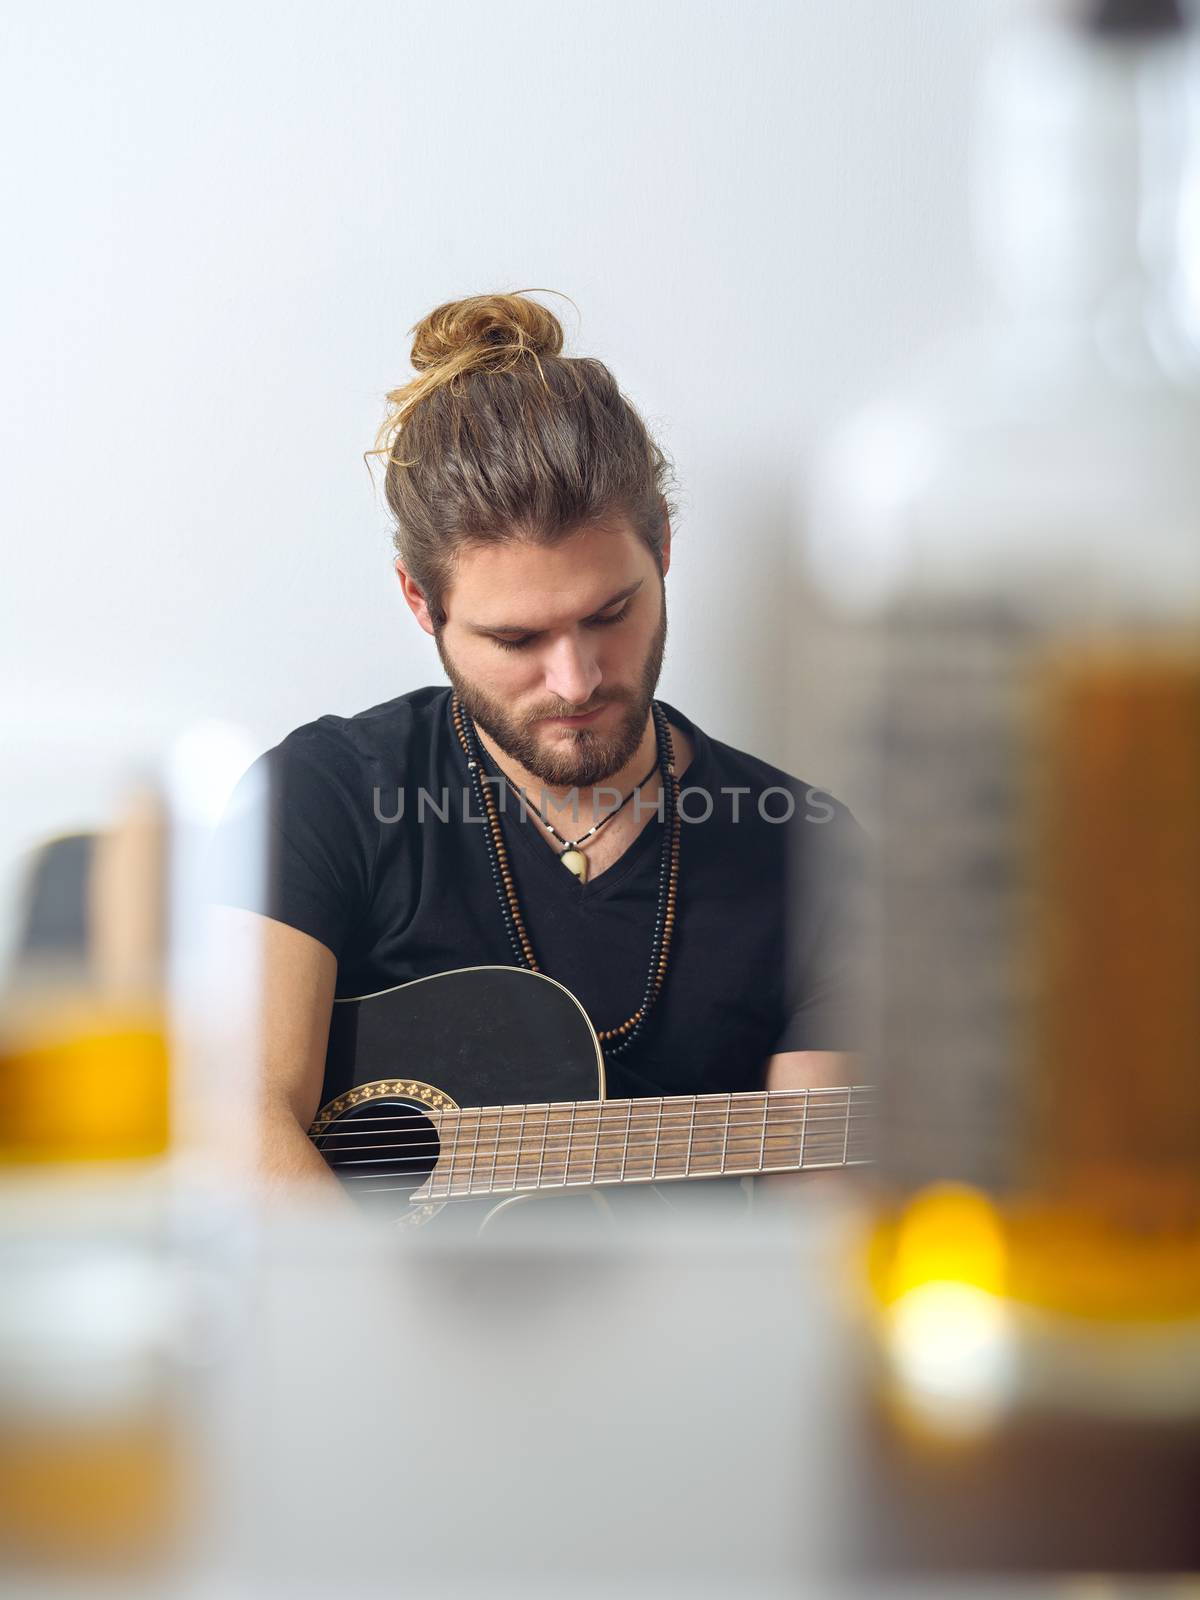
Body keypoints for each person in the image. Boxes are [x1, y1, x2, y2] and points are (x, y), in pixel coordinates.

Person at [213, 290, 866, 1196]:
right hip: (361, 1332)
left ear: (664, 548)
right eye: (517, 640)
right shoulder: (322, 798)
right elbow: (229, 1120)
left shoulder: (815, 858)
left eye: (611, 613)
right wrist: (391, 1336)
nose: (577, 679)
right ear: (420, 603)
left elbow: (815, 1227)